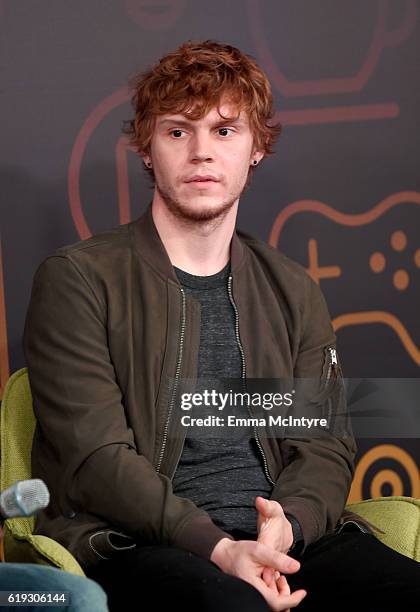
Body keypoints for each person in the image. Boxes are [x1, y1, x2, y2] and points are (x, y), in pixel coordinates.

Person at [22, 41, 419, 611]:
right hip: (143, 544)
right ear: (147, 149)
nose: (202, 152)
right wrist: (220, 549)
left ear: (257, 147)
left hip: (281, 545)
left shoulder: (292, 289)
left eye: (225, 131)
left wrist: (288, 532)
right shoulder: (78, 280)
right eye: (178, 131)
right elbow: (97, 461)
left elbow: (322, 447)